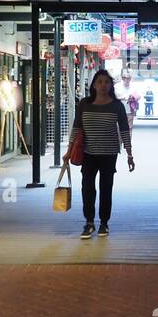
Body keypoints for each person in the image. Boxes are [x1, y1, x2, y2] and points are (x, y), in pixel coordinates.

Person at [65, 68, 135, 238]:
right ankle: (89, 222)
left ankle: (104, 223)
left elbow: (125, 130)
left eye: (106, 82)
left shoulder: (117, 105)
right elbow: (77, 127)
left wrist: (129, 154)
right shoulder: (84, 104)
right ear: (94, 85)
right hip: (88, 153)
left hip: (109, 154)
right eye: (99, 82)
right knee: (87, 188)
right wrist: (69, 150)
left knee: (106, 188)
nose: (103, 85)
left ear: (111, 85)